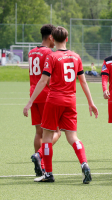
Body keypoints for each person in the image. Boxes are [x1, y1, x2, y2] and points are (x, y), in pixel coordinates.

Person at [23, 26, 98, 184]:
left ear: (53, 39)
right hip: (70, 101)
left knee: (48, 137)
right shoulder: (76, 57)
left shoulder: (52, 56)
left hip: (54, 99)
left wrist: (30, 102)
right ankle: (84, 164)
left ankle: (48, 174)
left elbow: (43, 80)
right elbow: (83, 81)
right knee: (72, 137)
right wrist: (91, 102)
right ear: (67, 39)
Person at [28, 24, 61, 176]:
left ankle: (39, 166)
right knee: (57, 132)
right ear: (50, 37)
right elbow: (47, 78)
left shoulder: (31, 52)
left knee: (38, 132)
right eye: (54, 37)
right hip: (46, 95)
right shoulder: (49, 53)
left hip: (33, 93)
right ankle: (40, 155)